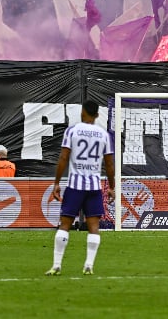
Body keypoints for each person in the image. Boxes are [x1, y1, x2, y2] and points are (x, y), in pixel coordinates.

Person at [46, 101, 115, 276]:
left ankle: (56, 265)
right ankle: (89, 265)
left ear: (82, 112)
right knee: (93, 226)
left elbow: (63, 157)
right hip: (93, 186)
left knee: (65, 224)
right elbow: (109, 164)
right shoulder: (103, 134)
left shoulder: (72, 131)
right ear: (97, 115)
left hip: (75, 185)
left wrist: (56, 183)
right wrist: (112, 187)